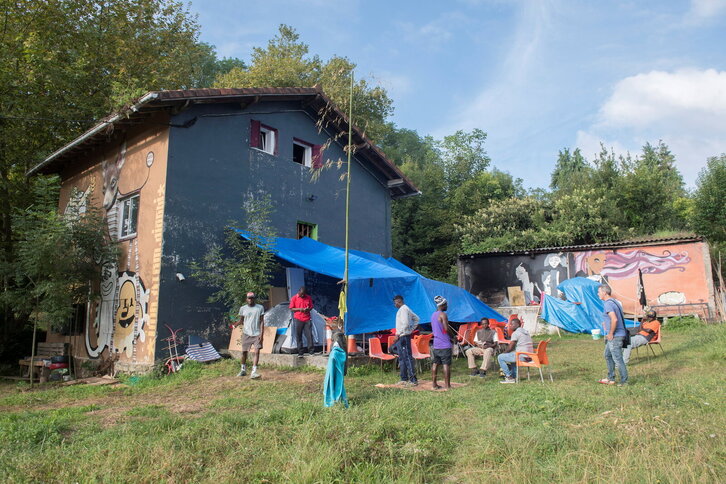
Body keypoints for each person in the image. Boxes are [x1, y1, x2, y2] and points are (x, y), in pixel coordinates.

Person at [597, 284, 628, 386]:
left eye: (599, 292)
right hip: (619, 333)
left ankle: (624, 381)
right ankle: (611, 378)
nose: (598, 294)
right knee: (607, 355)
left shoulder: (608, 304)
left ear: (604, 292)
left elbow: (614, 319)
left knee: (618, 359)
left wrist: (610, 333)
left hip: (615, 336)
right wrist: (606, 323)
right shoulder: (615, 302)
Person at [233, 292, 265, 379]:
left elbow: (262, 321)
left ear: (254, 298)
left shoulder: (260, 308)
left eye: (252, 298)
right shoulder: (243, 308)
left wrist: (261, 334)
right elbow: (241, 320)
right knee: (244, 352)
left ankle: (254, 372)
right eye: (249, 298)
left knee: (256, 352)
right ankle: (243, 370)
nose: (250, 299)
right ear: (246, 299)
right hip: (246, 333)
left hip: (257, 334)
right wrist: (235, 325)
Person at [392, 295, 420, 386]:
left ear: (398, 301)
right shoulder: (405, 309)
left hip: (403, 336)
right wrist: (411, 329)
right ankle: (404, 378)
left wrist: (398, 334)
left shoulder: (404, 309)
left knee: (407, 358)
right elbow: (416, 319)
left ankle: (413, 380)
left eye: (395, 303)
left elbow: (406, 324)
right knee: (402, 358)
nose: (395, 305)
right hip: (402, 336)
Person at [497, 318, 534, 383]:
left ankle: (509, 377)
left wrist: (503, 353)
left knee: (500, 357)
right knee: (513, 355)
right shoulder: (526, 332)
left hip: (521, 356)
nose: (510, 326)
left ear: (517, 324)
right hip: (530, 356)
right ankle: (514, 376)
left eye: (512, 324)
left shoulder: (516, 333)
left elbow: (511, 347)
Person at [430, 295, 453, 390]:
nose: (447, 306)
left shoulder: (433, 315)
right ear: (442, 305)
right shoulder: (443, 315)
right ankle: (447, 386)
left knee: (435, 363)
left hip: (436, 344)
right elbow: (446, 329)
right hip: (444, 344)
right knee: (446, 364)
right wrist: (453, 337)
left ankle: (434, 384)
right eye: (446, 304)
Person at [289, 286, 316, 357]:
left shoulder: (308, 297)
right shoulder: (294, 298)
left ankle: (311, 351)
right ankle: (300, 352)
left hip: (307, 319)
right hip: (298, 319)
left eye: (304, 294)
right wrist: (300, 309)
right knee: (299, 335)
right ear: (299, 292)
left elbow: (311, 306)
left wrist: (308, 309)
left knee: (309, 335)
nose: (302, 295)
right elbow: (291, 308)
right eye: (301, 294)